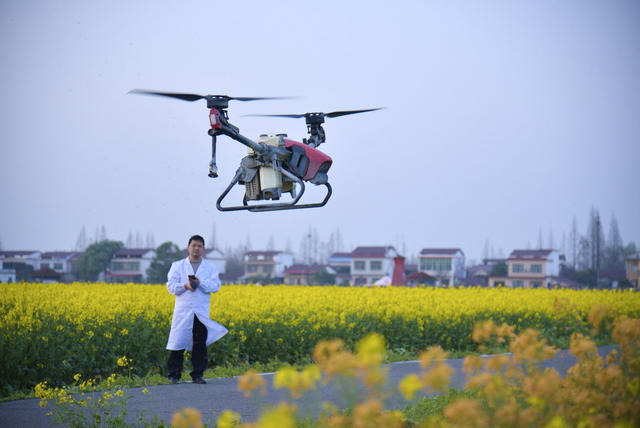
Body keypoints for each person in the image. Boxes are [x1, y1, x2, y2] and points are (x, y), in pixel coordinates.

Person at [166, 234, 228, 384]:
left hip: (200, 312)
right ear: (188, 247)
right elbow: (171, 287)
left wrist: (200, 283)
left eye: (199, 246)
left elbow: (215, 286)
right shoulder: (178, 265)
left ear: (203, 249)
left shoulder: (211, 268)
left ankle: (198, 374)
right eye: (194, 245)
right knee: (178, 343)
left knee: (200, 343)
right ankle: (174, 375)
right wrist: (185, 286)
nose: (196, 248)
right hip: (183, 311)